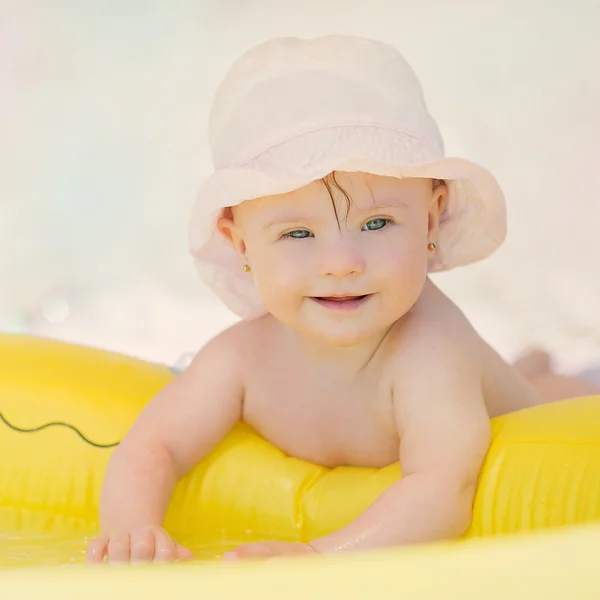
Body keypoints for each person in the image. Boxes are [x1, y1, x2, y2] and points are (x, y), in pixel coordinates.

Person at [85, 35, 599, 565]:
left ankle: (537, 370)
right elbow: (152, 448)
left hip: (565, 410)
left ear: (430, 217)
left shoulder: (428, 353)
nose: (341, 263)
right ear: (241, 243)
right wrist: (134, 531)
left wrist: (318, 556)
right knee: (524, 369)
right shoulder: (241, 360)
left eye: (377, 223)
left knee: (552, 389)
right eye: (297, 235)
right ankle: (528, 363)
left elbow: (443, 491)